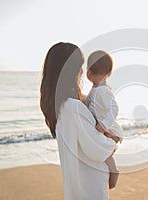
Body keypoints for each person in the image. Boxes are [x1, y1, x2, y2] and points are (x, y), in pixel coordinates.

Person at [40, 42, 120, 200]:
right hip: (90, 191)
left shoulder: (61, 107)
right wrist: (114, 141)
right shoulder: (73, 107)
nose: (82, 72)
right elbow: (98, 150)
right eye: (80, 67)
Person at [85, 50, 123, 189]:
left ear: (88, 73)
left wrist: (104, 125)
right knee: (103, 153)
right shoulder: (96, 88)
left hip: (109, 129)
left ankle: (114, 171)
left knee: (105, 153)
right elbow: (90, 103)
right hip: (104, 128)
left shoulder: (102, 91)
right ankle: (111, 171)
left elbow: (114, 108)